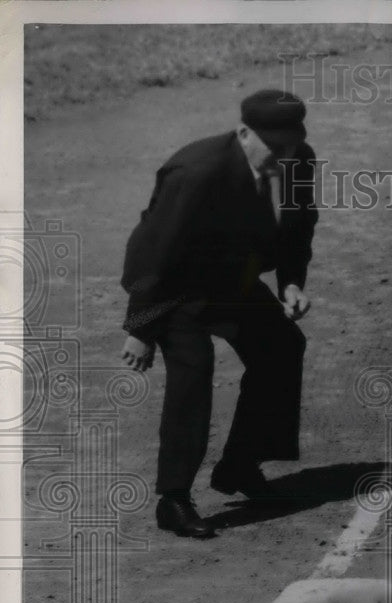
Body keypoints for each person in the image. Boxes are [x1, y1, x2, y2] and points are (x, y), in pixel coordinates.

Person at [119, 89, 319, 539]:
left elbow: (299, 223)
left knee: (282, 347)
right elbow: (153, 251)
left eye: (289, 144)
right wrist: (140, 327)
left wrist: (290, 281)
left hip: (234, 281)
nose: (283, 155)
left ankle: (240, 466)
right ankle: (173, 499)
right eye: (273, 145)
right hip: (177, 290)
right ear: (244, 133)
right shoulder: (197, 171)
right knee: (193, 371)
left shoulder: (298, 159)